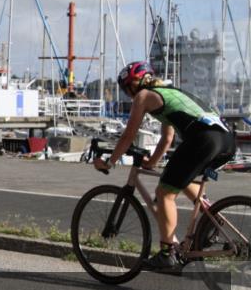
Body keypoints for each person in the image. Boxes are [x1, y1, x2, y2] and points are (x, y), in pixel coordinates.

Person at [94, 62, 235, 270]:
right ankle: (211, 217)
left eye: (128, 87)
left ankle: (167, 252)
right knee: (180, 178)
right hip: (226, 140)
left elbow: (128, 135)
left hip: (204, 139)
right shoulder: (168, 93)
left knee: (164, 192)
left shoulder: (144, 96)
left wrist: (110, 162)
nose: (129, 93)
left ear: (138, 82)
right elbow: (166, 139)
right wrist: (151, 163)